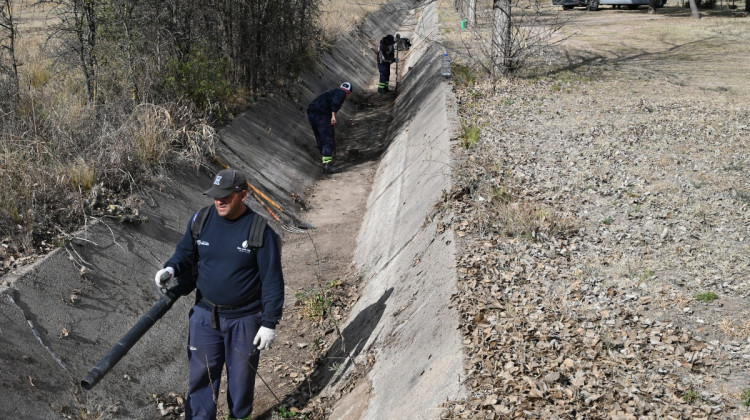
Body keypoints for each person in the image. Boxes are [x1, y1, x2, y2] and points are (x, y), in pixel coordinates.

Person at [154, 168, 285, 420]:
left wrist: (269, 323)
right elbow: (185, 253)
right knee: (201, 380)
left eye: (226, 196)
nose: (219, 201)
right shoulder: (201, 220)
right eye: (215, 195)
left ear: (242, 195)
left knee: (240, 384)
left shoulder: (260, 232)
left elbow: (272, 281)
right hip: (205, 316)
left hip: (245, 320)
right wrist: (170, 269)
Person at [306, 82, 352, 174]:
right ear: (349, 93)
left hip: (311, 112)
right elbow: (335, 103)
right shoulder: (342, 93)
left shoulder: (333, 91)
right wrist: (333, 116)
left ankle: (325, 162)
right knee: (328, 139)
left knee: (320, 138)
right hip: (321, 114)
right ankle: (328, 166)